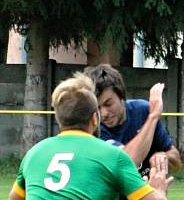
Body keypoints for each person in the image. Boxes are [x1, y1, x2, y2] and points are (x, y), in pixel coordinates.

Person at [9, 73, 172, 200]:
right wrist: (159, 191)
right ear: (95, 118)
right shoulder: (113, 156)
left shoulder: (33, 154)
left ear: (59, 119)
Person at [84, 64, 182, 180]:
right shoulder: (94, 129)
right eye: (97, 108)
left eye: (108, 104)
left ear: (121, 96)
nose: (104, 113)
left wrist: (164, 157)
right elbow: (128, 161)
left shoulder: (143, 111)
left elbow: (177, 161)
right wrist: (153, 116)